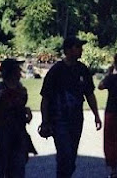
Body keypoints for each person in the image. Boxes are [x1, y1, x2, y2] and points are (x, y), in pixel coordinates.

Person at [40, 36, 102, 177]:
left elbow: (89, 94)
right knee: (64, 155)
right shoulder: (56, 70)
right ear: (68, 50)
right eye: (78, 46)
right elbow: (46, 98)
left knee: (72, 156)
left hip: (76, 119)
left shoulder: (83, 70)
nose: (81, 50)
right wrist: (45, 121)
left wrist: (96, 115)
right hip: (59, 119)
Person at [0, 58, 37, 177]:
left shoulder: (21, 90)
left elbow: (19, 110)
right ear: (11, 72)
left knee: (18, 167)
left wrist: (26, 112)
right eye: (17, 69)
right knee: (2, 167)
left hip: (18, 134)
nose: (20, 72)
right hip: (1, 135)